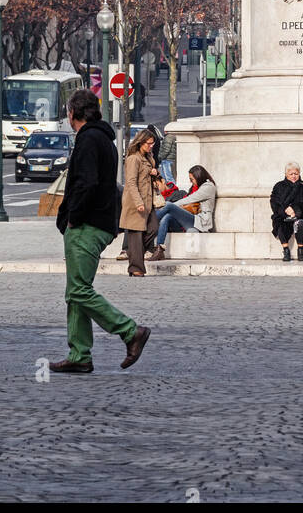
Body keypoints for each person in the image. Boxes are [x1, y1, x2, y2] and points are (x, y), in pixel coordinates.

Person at [49, 88, 150, 374]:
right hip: (97, 222)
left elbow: (87, 182)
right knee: (75, 291)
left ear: (72, 114)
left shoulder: (89, 139)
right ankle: (80, 353)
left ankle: (130, 331)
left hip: (86, 224)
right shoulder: (104, 139)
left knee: (79, 290)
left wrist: (73, 217)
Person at [119, 129, 160, 277]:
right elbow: (130, 182)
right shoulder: (133, 159)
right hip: (136, 201)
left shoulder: (149, 157)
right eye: (149, 144)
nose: (151, 146)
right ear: (141, 142)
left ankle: (134, 256)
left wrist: (154, 173)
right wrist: (138, 202)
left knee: (154, 228)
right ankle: (136, 268)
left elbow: (147, 176)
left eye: (152, 143)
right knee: (135, 234)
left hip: (148, 201)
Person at [151, 166, 216, 258]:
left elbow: (190, 199)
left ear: (199, 176)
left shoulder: (208, 187)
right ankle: (159, 249)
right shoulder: (194, 188)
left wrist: (172, 206)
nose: (191, 182)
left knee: (169, 205)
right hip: (191, 219)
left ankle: (149, 222)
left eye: (192, 179)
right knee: (167, 217)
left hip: (200, 222)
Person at [271, 162, 303, 262]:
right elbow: (274, 201)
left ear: (299, 173)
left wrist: (295, 210)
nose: (293, 176)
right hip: (283, 215)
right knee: (279, 223)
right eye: (291, 174)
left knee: (300, 223)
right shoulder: (279, 186)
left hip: (300, 215)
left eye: (296, 174)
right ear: (286, 174)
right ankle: (286, 250)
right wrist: (286, 210)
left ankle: (300, 250)